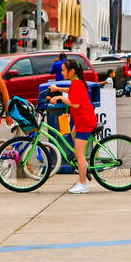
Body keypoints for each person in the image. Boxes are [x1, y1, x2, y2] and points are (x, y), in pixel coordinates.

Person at [45, 57, 99, 194]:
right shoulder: (77, 82)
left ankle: (83, 184)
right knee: (73, 136)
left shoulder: (76, 83)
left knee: (78, 153)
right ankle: (83, 166)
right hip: (84, 119)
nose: (62, 72)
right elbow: (71, 90)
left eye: (64, 70)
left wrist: (59, 97)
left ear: (72, 71)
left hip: (84, 121)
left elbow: (75, 104)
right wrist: (57, 88)